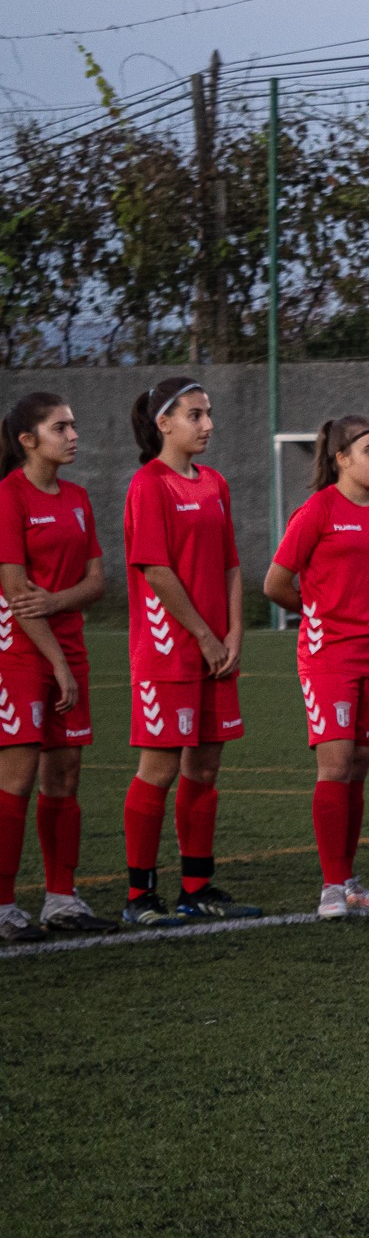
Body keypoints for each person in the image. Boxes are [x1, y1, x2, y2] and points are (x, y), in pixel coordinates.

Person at [119, 378, 258, 926]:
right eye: (196, 415)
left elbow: (230, 565)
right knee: (159, 769)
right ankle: (139, 897)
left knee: (205, 766)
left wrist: (234, 635)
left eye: (208, 414)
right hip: (168, 653)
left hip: (215, 652)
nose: (208, 425)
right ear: (164, 424)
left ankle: (196, 887)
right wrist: (203, 634)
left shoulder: (215, 483)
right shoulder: (147, 485)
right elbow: (155, 570)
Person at [263, 416, 369, 919]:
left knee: (360, 765)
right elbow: (276, 583)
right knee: (336, 763)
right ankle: (330, 888)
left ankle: (349, 880)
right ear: (340, 458)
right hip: (328, 654)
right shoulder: (317, 510)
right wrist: (319, 612)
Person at [0, 393, 113, 938]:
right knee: (17, 779)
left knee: (65, 775)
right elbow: (17, 594)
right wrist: (57, 664)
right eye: (60, 427)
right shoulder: (8, 497)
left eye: (74, 425)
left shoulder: (77, 497)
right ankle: (2, 905)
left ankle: (61, 900)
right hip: (20, 655)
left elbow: (97, 583)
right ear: (28, 440)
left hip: (69, 649)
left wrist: (58, 603)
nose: (73, 434)